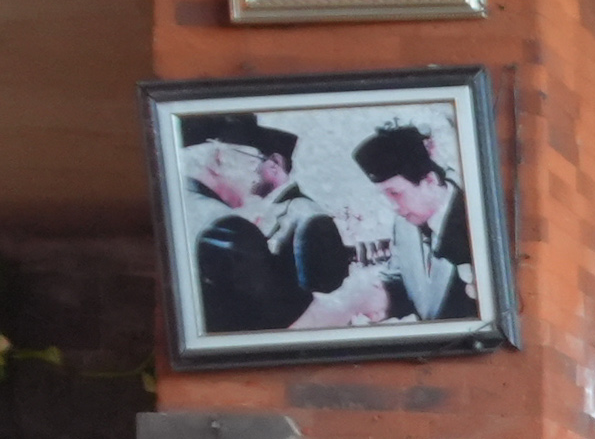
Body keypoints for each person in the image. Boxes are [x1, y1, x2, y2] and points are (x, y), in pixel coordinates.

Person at [178, 111, 375, 337]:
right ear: (219, 158)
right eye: (251, 161)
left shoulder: (184, 206)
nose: (254, 174)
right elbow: (290, 327)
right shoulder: (225, 226)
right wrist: (357, 298)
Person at [350, 121, 476, 323]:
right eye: (384, 195)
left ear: (430, 181)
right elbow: (408, 284)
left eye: (395, 193)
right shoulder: (404, 225)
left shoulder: (473, 221)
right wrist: (379, 299)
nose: (392, 206)